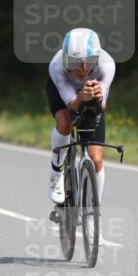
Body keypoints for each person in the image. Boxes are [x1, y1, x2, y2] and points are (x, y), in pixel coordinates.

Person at [47, 27, 116, 205]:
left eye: (89, 62)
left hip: (91, 95)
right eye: (75, 63)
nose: (83, 69)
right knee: (65, 122)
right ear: (65, 59)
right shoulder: (57, 66)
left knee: (96, 158)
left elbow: (101, 107)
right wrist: (79, 98)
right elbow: (71, 108)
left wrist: (97, 97)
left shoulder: (107, 65)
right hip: (65, 94)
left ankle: (93, 219)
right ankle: (56, 173)